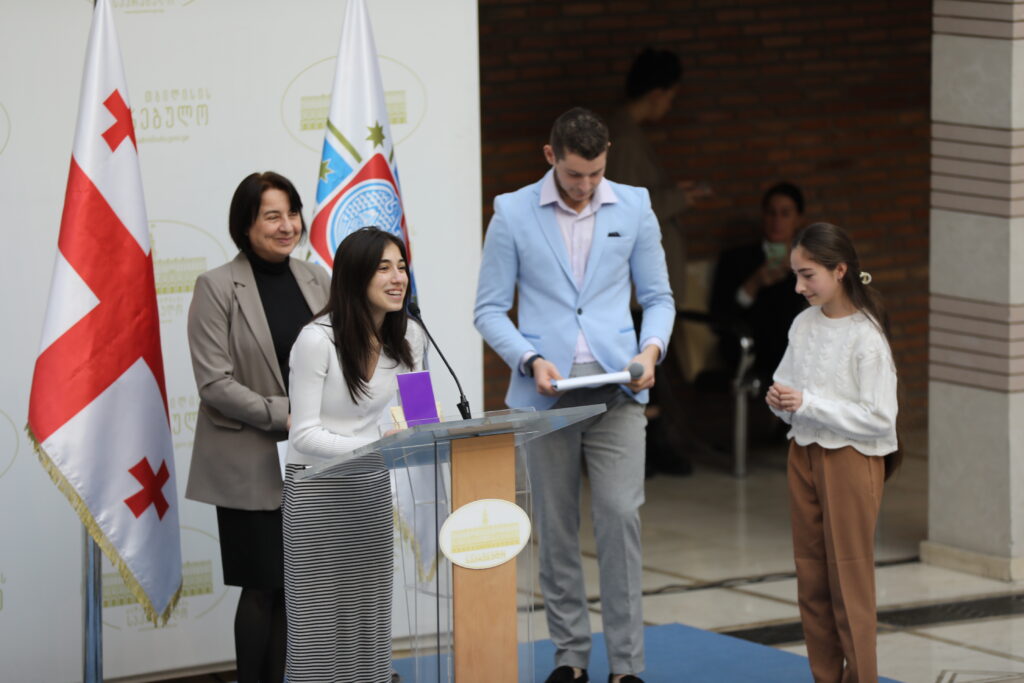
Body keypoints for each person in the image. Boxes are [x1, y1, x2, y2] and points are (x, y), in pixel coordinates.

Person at [474, 107, 674, 683]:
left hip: (619, 390)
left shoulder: (634, 205)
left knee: (620, 518)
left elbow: (658, 298)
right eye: (573, 175)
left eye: (596, 173)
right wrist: (529, 359)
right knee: (556, 529)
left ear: (607, 157)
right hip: (546, 396)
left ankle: (627, 666)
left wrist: (651, 352)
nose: (585, 186)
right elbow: (489, 309)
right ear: (550, 156)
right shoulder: (512, 212)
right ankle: (570, 657)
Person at [185, 171, 331, 683]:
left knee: (296, 587)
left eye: (292, 213)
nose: (287, 225)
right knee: (262, 586)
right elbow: (214, 382)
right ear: (245, 225)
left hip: (311, 459)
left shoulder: (317, 280)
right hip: (248, 461)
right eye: (272, 216)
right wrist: (284, 413)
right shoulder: (216, 286)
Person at [283, 227, 425, 683]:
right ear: (355, 276)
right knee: (320, 625)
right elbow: (304, 434)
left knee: (368, 618)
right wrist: (378, 448)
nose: (397, 278)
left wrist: (425, 431)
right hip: (317, 493)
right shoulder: (316, 340)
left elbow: (421, 416)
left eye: (401, 267)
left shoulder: (412, 335)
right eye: (384, 268)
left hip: (369, 491)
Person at [766, 222, 900, 683]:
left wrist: (806, 403)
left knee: (849, 581)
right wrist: (780, 401)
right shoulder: (803, 324)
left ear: (840, 270)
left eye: (808, 275)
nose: (799, 287)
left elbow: (880, 418)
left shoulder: (867, 336)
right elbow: (788, 388)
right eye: (796, 275)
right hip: (803, 453)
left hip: (851, 459)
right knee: (812, 579)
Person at [605, 47, 709, 475]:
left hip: (635, 283)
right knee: (645, 367)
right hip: (635, 285)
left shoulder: (625, 132)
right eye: (670, 96)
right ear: (657, 92)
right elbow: (630, 206)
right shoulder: (626, 138)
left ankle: (648, 448)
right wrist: (681, 197)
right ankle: (645, 450)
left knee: (649, 366)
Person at [711, 182, 807, 388]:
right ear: (763, 216)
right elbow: (719, 316)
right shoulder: (735, 260)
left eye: (785, 214)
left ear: (798, 219)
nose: (777, 221)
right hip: (753, 346)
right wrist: (754, 283)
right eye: (771, 213)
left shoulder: (811, 262)